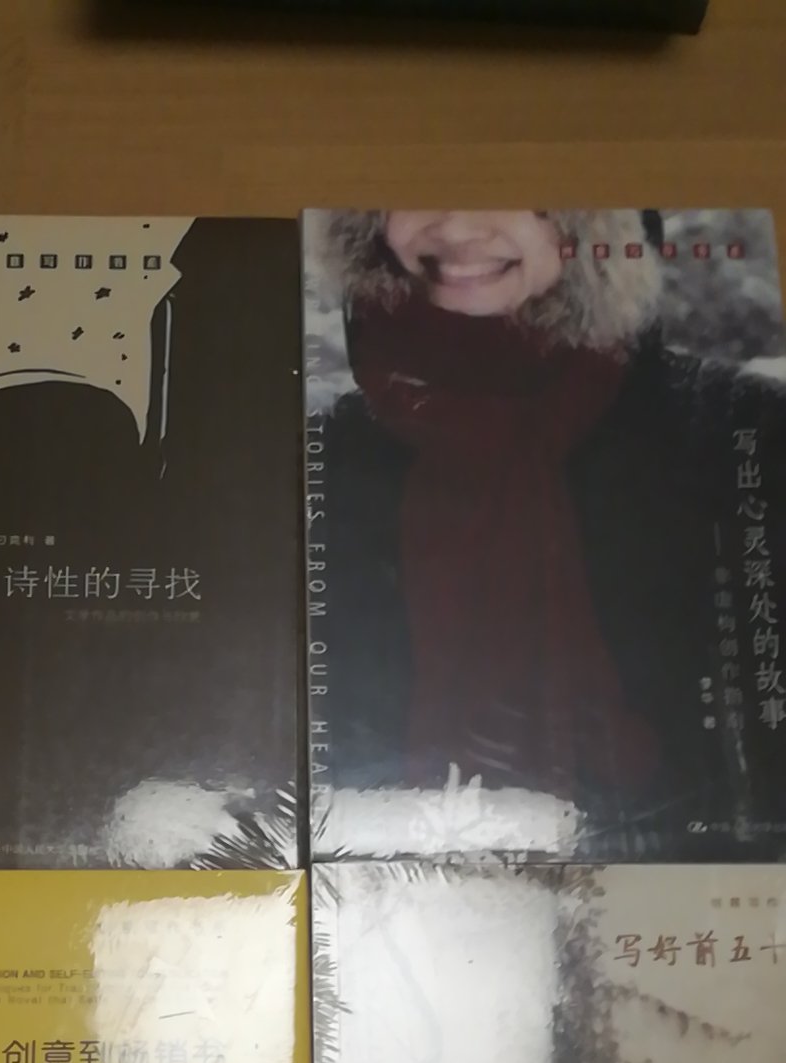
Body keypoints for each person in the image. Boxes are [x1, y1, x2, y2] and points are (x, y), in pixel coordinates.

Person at [316, 208, 786, 858]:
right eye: (417, 191)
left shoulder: (745, 435)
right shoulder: (320, 462)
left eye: (516, 195)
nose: (460, 226)